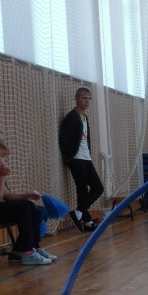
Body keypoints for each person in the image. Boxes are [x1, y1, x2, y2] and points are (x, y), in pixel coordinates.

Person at [58, 87, 104, 231]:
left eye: (89, 98)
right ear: (77, 99)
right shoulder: (72, 117)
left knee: (97, 187)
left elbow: (85, 139)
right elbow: (64, 139)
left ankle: (80, 215)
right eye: (84, 98)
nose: (87, 101)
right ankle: (85, 218)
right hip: (76, 158)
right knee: (82, 188)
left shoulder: (85, 117)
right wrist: (69, 156)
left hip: (86, 157)